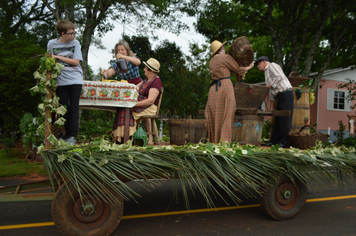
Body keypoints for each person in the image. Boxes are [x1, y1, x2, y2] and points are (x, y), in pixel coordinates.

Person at [205, 40, 254, 143]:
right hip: (225, 86)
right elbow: (239, 69)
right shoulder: (225, 57)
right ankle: (224, 142)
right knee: (227, 113)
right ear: (221, 48)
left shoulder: (212, 61)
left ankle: (214, 141)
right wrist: (250, 66)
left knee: (215, 115)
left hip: (213, 90)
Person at [47, 20, 83, 144]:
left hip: (75, 79)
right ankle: (63, 135)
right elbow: (49, 60)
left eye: (75, 33)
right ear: (63, 34)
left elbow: (76, 62)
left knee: (74, 108)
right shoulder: (51, 44)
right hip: (61, 81)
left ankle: (72, 136)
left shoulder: (76, 43)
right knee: (62, 108)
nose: (74, 36)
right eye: (71, 33)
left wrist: (58, 57)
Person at [112, 58, 163, 145]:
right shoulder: (147, 80)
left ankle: (128, 138)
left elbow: (150, 101)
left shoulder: (156, 82)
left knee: (128, 111)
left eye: (145, 68)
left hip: (150, 107)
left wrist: (134, 104)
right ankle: (120, 138)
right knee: (122, 108)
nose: (144, 70)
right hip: (143, 104)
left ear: (150, 70)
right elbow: (134, 87)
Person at [255, 56, 294, 148]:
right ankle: (274, 141)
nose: (258, 67)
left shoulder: (272, 66)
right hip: (279, 96)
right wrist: (272, 106)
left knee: (285, 118)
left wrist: (269, 85)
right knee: (278, 119)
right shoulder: (266, 73)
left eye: (258, 64)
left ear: (264, 61)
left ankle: (284, 142)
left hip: (286, 92)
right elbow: (272, 91)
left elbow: (279, 77)